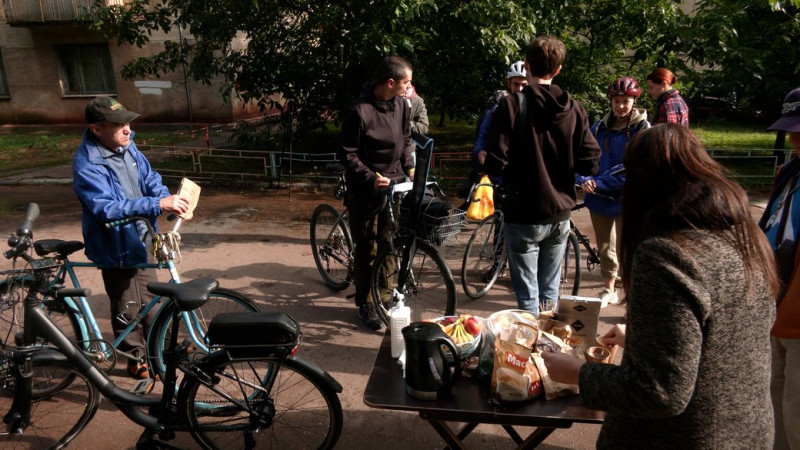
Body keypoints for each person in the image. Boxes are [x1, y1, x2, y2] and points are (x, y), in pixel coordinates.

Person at [542, 124, 779, 448]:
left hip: (685, 437)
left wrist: (578, 373)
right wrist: (647, 339)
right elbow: (724, 339)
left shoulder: (667, 254)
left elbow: (659, 391)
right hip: (746, 432)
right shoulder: (746, 236)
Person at [72, 97, 189, 379]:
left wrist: (165, 198)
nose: (127, 129)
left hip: (142, 237)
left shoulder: (126, 145)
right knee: (127, 305)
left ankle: (157, 354)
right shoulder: (88, 162)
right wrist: (156, 205)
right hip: (114, 245)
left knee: (152, 300)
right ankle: (134, 357)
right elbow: (105, 208)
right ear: (97, 129)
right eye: (118, 125)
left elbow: (150, 178)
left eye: (127, 122)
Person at [484, 36, 601, 314]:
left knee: (527, 298)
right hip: (560, 214)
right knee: (549, 294)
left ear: (526, 66)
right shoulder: (574, 108)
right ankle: (548, 353)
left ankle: (531, 350)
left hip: (523, 215)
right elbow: (591, 162)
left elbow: (495, 163)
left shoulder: (511, 105)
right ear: (558, 69)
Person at [338, 56, 415, 330]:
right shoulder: (359, 112)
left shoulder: (402, 105)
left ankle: (384, 296)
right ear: (391, 82)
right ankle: (366, 303)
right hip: (366, 191)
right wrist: (370, 178)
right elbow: (347, 155)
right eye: (406, 82)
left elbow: (406, 139)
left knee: (389, 244)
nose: (410, 86)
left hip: (394, 187)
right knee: (367, 249)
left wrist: (410, 166)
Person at [575, 76, 650, 307]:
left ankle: (628, 289)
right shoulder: (598, 127)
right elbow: (581, 156)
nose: (620, 106)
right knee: (605, 245)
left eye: (625, 101)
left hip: (628, 197)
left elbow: (636, 166)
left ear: (634, 102)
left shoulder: (643, 129)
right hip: (599, 197)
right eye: (617, 101)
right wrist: (584, 179)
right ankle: (608, 288)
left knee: (628, 246)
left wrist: (599, 183)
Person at [758, 86, 800, 450]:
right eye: (791, 130)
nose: (794, 138)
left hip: (797, 315)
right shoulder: (788, 172)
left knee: (797, 412)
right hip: (774, 307)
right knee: (773, 408)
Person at [473, 60, 528, 172]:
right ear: (509, 84)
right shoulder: (496, 109)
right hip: (500, 171)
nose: (520, 89)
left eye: (524, 84)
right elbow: (483, 135)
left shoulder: (536, 108)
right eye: (516, 84)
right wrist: (479, 151)